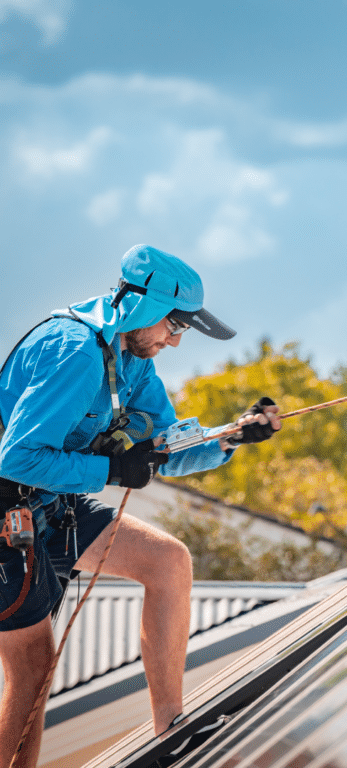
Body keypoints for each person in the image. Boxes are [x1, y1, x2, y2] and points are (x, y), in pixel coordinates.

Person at [0, 244, 281, 767]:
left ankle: (170, 727)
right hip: (5, 515)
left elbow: (164, 449)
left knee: (166, 561)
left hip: (53, 507)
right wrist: (109, 470)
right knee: (34, 666)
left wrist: (230, 437)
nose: (176, 340)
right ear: (140, 307)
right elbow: (17, 458)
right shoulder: (75, 350)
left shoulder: (134, 361)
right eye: (174, 325)